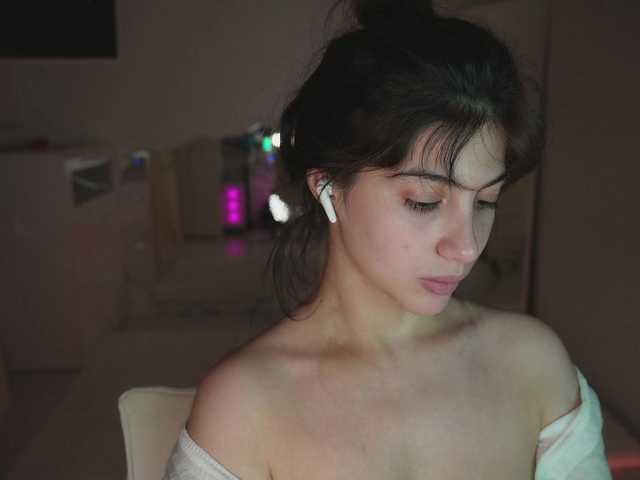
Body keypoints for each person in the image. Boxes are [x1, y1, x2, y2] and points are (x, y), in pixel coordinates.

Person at [164, 0, 611, 478]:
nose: (465, 247)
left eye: (485, 202)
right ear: (329, 188)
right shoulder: (245, 407)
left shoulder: (532, 365)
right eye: (424, 201)